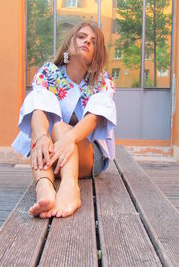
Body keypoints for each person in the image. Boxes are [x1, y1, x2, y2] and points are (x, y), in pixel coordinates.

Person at [12, 21, 117, 219]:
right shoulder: (49, 73)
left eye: (94, 42)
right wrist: (43, 136)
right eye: (82, 36)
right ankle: (44, 187)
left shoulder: (102, 80)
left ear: (96, 53)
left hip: (88, 156)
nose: (87, 41)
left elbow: (93, 119)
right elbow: (38, 106)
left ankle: (70, 187)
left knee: (60, 127)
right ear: (69, 43)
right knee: (40, 125)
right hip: (51, 154)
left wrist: (67, 140)